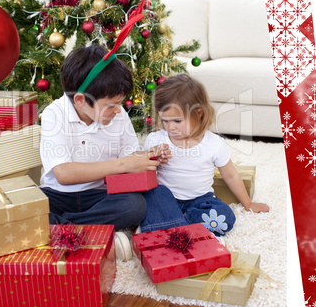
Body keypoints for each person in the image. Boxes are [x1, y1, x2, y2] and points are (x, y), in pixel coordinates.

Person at [39, 45, 168, 245]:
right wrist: (126, 163)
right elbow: (63, 174)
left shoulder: (118, 115)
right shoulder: (54, 114)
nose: (119, 110)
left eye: (120, 102)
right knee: (33, 207)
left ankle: (67, 229)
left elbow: (130, 159)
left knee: (134, 206)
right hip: (58, 195)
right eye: (111, 105)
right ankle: (90, 232)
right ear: (81, 100)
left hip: (99, 195)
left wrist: (146, 158)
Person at [142, 73, 269, 236]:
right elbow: (143, 176)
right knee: (151, 198)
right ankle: (181, 225)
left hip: (200, 200)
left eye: (177, 121)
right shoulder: (155, 140)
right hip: (166, 200)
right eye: (165, 121)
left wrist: (248, 203)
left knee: (225, 217)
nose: (170, 127)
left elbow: (231, 176)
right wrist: (153, 158)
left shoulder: (214, 144)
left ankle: (176, 223)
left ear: (199, 113)